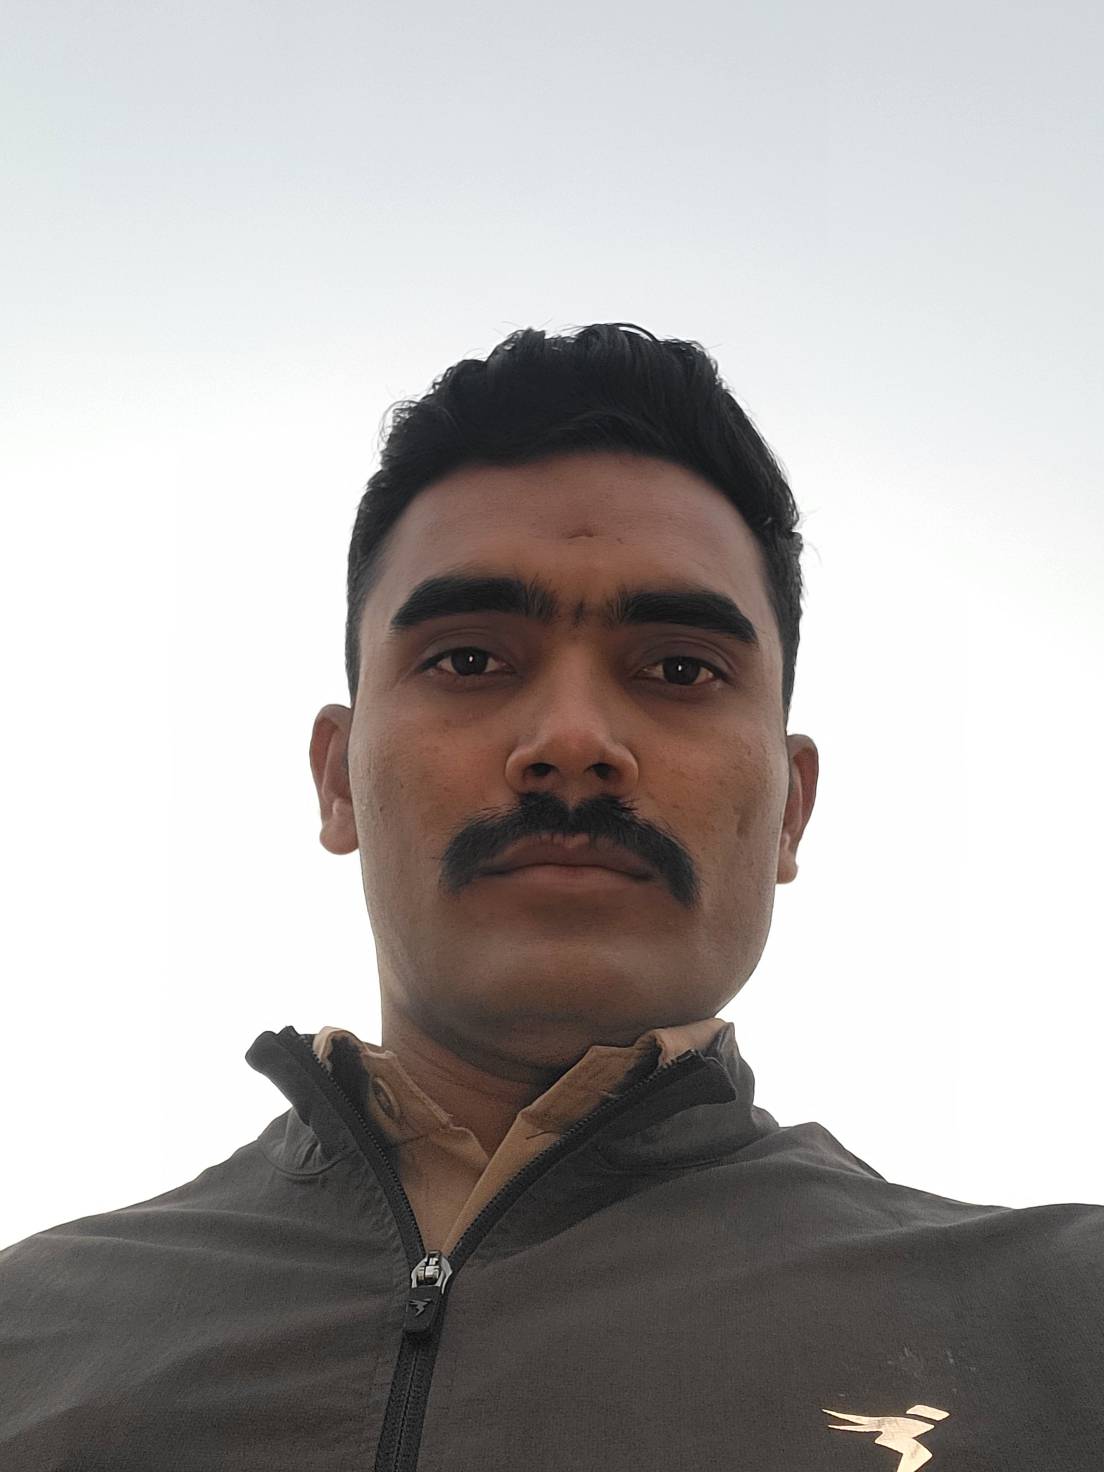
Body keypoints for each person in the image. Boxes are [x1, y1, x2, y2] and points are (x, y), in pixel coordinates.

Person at [1, 324, 1099, 1472]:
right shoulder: (28, 1342)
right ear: (338, 781)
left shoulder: (1064, 1334)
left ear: (791, 807)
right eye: (469, 659)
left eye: (681, 667)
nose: (573, 740)